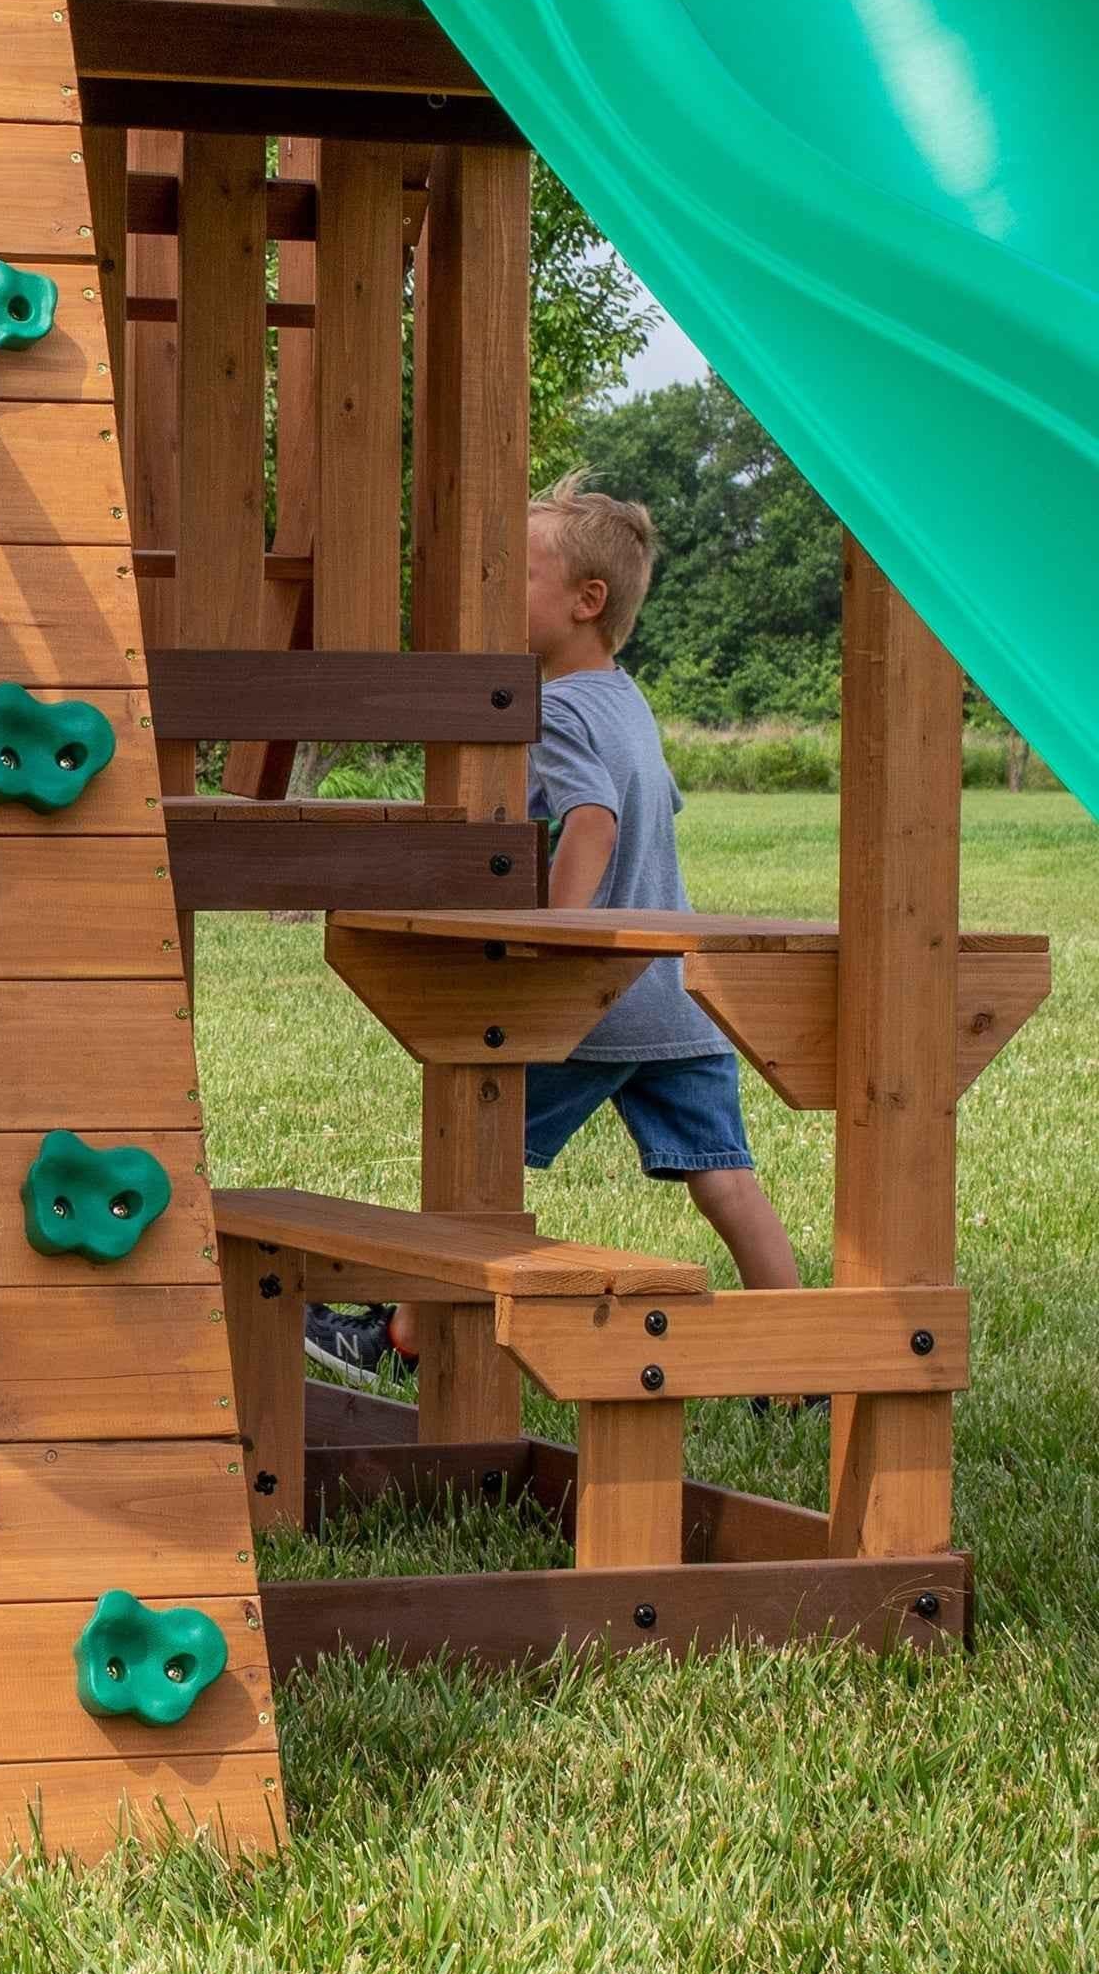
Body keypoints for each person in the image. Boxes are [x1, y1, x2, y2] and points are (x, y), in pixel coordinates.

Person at [307, 477, 807, 1392]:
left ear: (587, 603)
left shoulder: (557, 709)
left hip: (590, 1004)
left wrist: (552, 938)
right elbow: (653, 809)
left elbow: (594, 819)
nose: (495, 592)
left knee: (473, 1162)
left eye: (518, 575)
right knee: (726, 1175)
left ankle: (401, 1340)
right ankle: (805, 1359)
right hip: (676, 995)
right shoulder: (625, 700)